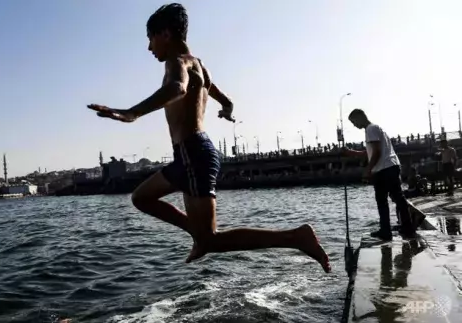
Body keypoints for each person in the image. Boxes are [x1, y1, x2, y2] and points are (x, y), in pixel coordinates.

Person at [87, 3, 330, 273]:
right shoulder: (200, 66)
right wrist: (226, 111)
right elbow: (226, 100)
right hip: (190, 154)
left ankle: (296, 237)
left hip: (193, 153)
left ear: (165, 34)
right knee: (141, 198)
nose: (149, 48)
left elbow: (177, 88)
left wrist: (132, 113)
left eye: (150, 39)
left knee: (211, 239)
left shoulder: (176, 62)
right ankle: (198, 234)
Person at [344, 109, 416, 240]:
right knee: (396, 198)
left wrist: (368, 170)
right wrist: (353, 153)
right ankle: (405, 228)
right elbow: (370, 152)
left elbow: (376, 152)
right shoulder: (374, 129)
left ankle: (387, 231)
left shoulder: (371, 129)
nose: (354, 125)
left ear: (360, 117)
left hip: (385, 168)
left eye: (354, 121)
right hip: (389, 166)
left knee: (385, 200)